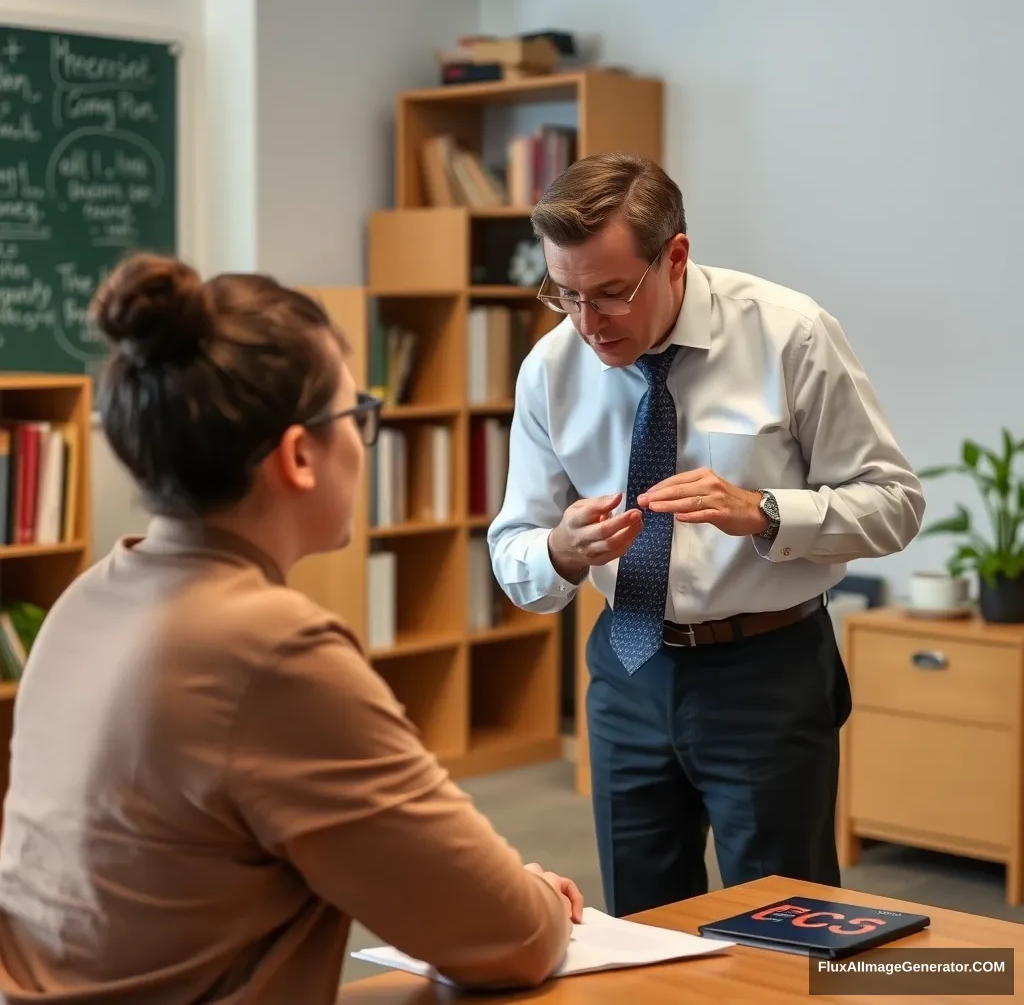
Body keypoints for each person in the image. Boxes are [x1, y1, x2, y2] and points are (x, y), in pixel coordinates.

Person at [0, 253, 583, 1004]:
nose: (363, 441)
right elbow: (511, 938)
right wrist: (525, 899)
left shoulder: (87, 598)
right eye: (357, 416)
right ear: (299, 456)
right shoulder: (269, 649)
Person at [488, 152, 924, 919]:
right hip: (628, 668)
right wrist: (560, 548)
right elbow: (512, 544)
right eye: (567, 295)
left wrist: (765, 510)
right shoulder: (549, 368)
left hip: (767, 671)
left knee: (787, 928)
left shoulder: (792, 336)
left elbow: (894, 503)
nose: (590, 324)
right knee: (642, 927)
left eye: (612, 293)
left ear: (676, 257)